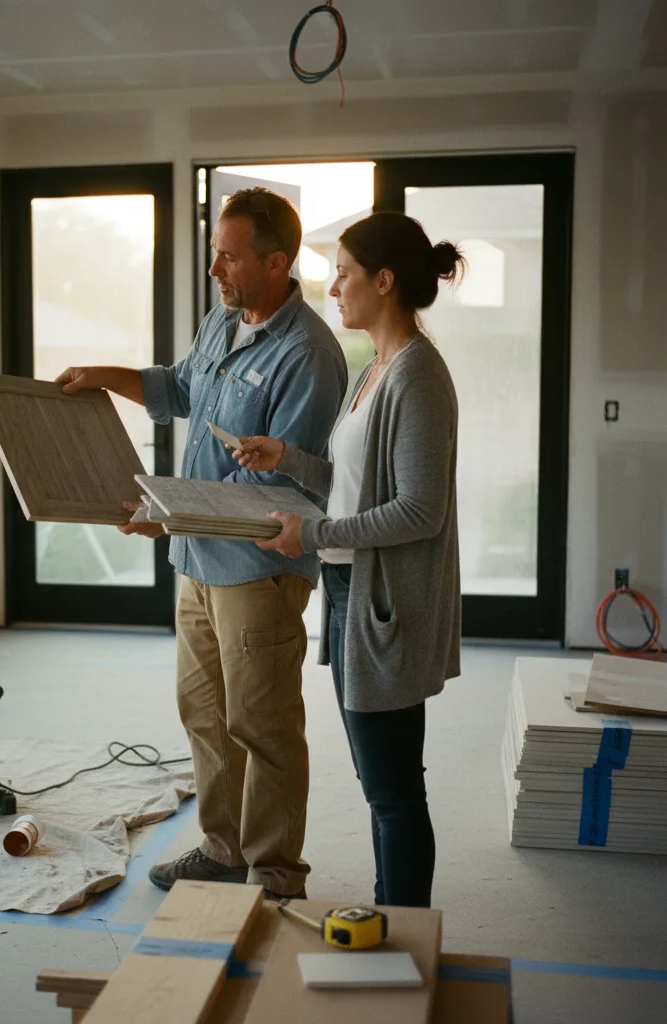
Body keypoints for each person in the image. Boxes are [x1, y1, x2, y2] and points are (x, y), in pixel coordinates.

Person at [56, 188, 347, 899]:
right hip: (195, 561)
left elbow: (287, 493)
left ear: (277, 262)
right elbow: (179, 387)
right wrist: (105, 377)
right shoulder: (222, 321)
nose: (215, 267)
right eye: (216, 252)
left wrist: (168, 515)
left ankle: (277, 874)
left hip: (257, 570)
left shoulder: (308, 354)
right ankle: (223, 850)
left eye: (229, 255)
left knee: (263, 723)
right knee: (206, 716)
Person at [233, 210, 466, 908]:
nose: (331, 287)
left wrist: (311, 535)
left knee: (393, 791)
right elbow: (355, 478)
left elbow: (420, 510)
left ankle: (404, 934)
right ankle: (389, 922)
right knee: (380, 785)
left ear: (385, 281)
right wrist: (290, 459)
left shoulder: (416, 376)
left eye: (343, 273)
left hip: (381, 606)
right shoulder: (377, 368)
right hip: (348, 593)